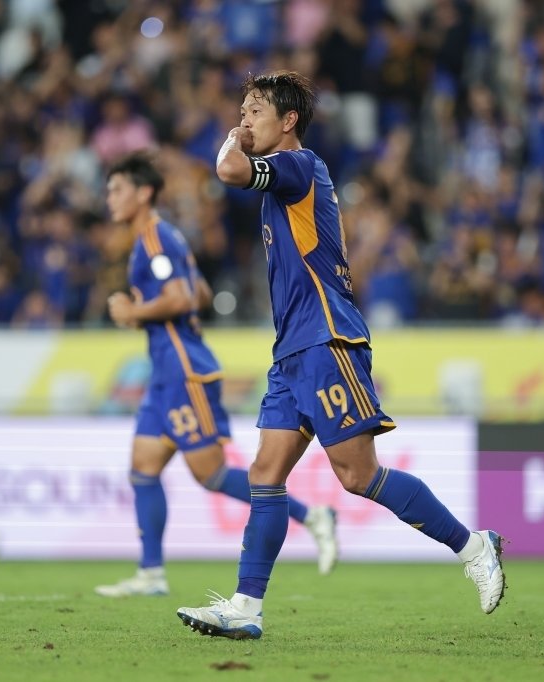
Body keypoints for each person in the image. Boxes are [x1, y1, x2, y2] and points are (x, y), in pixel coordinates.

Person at [177, 72, 505, 639]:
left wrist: (232, 136)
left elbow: (228, 169)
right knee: (265, 473)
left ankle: (474, 545)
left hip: (329, 340)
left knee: (357, 475)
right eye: (241, 108)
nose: (245, 117)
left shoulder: (300, 165)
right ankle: (245, 608)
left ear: (288, 122)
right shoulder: (283, 177)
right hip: (292, 352)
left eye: (256, 109)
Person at [95, 152, 338, 597]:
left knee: (209, 474)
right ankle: (151, 573)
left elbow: (184, 296)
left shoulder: (153, 240)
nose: (109, 198)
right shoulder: (162, 239)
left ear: (143, 192)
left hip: (185, 372)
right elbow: (202, 290)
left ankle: (312, 515)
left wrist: (134, 311)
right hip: (165, 374)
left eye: (117, 189)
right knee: (143, 468)